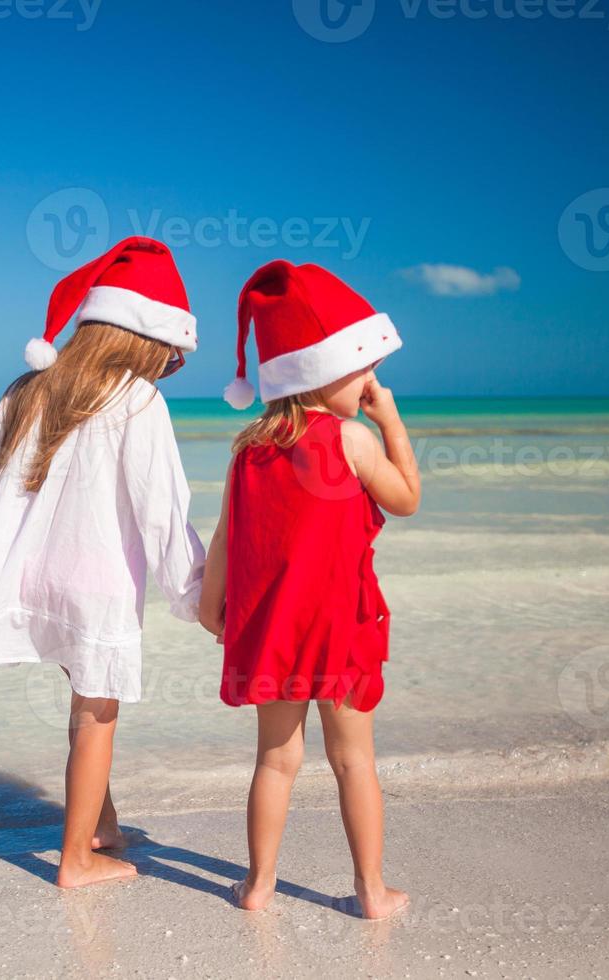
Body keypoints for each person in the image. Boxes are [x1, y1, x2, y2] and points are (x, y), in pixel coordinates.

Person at [0, 237, 206, 888]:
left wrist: (24, 531)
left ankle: (102, 824)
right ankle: (77, 860)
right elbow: (161, 511)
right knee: (97, 715)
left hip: (43, 577)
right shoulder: (139, 402)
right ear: (142, 338)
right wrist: (197, 595)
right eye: (170, 355)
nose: (171, 368)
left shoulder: (34, 387)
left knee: (85, 704)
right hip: (99, 584)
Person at [200, 260, 420, 918]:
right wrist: (393, 421)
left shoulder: (249, 450)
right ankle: (372, 892)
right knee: (354, 762)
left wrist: (213, 605)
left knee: (275, 760)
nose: (373, 381)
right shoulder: (353, 438)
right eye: (364, 369)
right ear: (321, 371)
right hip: (341, 629)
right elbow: (406, 498)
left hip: (276, 631)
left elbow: (226, 537)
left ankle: (259, 886)